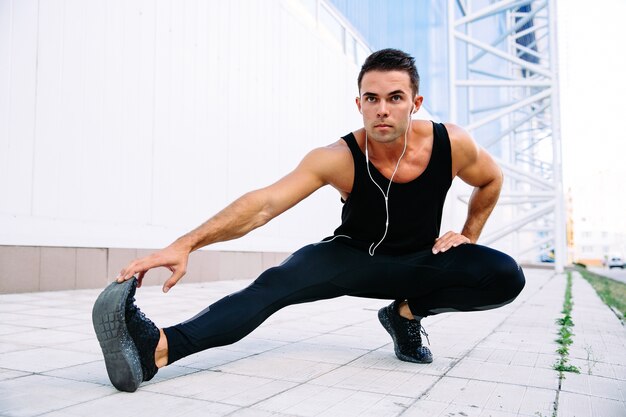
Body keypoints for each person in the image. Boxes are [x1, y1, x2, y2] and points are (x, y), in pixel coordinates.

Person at [92, 48, 525, 393]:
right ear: (359, 103)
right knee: (272, 286)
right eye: (371, 99)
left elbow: (491, 179)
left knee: (504, 275)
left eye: (395, 98)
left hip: (419, 260)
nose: (382, 110)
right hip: (350, 257)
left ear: (416, 102)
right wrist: (186, 244)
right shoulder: (337, 157)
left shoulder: (453, 144)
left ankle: (405, 316)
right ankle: (156, 350)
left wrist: (468, 236)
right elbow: (264, 204)